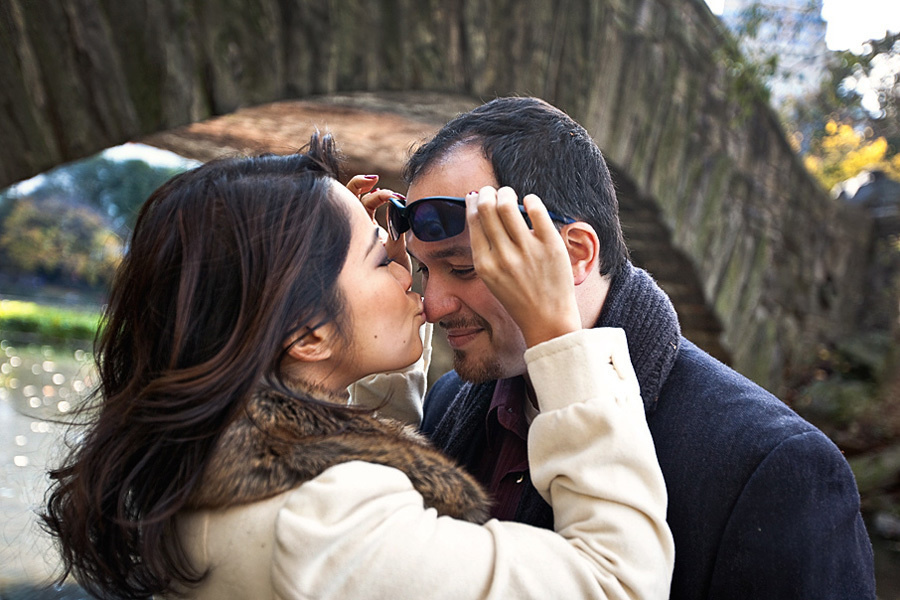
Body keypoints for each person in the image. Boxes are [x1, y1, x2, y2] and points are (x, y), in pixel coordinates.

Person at [40, 133, 674, 599]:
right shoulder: (321, 525)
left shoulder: (214, 461)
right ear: (307, 334)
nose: (415, 285)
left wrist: (354, 328)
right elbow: (617, 583)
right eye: (380, 258)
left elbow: (366, 462)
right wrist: (559, 337)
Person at [402, 97, 877, 599]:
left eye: (464, 268)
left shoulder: (772, 467)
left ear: (575, 254)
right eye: (423, 269)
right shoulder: (446, 404)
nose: (432, 304)